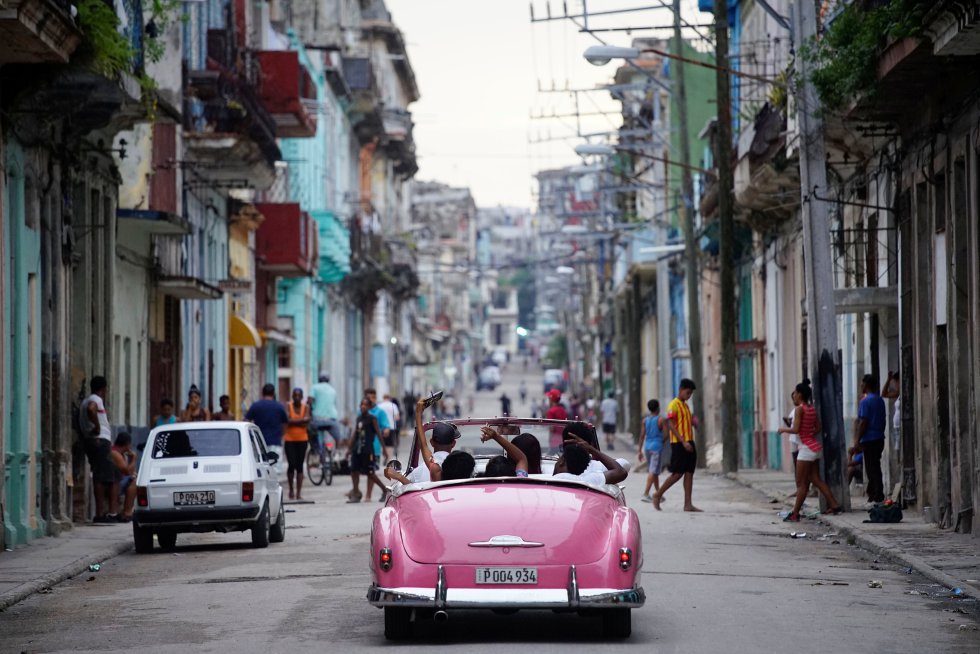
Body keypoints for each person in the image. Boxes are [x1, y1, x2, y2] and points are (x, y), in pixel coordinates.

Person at [779, 380, 842, 521]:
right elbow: (818, 427)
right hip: (815, 447)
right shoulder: (811, 408)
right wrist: (808, 433)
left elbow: (795, 429)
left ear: (800, 394)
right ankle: (834, 504)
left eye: (795, 393)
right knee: (816, 479)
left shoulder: (799, 409)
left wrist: (783, 429)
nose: (794, 395)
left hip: (806, 450)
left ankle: (795, 514)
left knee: (802, 484)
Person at [653, 379, 701, 512]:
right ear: (681, 389)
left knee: (689, 472)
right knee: (677, 473)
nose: (689, 395)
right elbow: (671, 425)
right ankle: (657, 494)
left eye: (691, 394)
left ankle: (688, 504)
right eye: (688, 392)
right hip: (679, 443)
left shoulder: (685, 406)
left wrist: (694, 422)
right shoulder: (673, 405)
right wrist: (683, 441)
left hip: (689, 441)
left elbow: (685, 423)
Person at [79, 376, 118, 522]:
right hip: (99, 440)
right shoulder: (95, 399)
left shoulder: (85, 400)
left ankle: (105, 512)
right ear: (104, 389)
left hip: (92, 440)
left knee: (103, 475)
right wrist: (97, 426)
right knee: (102, 477)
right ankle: (101, 514)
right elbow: (92, 409)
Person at [850, 373, 887, 503]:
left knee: (871, 468)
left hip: (870, 438)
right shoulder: (879, 400)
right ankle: (875, 494)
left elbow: (863, 422)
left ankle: (876, 495)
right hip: (879, 437)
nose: (860, 385)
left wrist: (857, 440)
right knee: (875, 466)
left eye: (862, 383)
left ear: (866, 385)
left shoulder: (865, 401)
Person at [554, 432, 627, 485]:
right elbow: (622, 471)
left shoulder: (544, 479)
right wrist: (592, 450)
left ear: (562, 461)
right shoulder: (587, 481)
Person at [348, 398, 383, 503]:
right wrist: (349, 448)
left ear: (369, 407)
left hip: (368, 450)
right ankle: (355, 492)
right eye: (361, 404)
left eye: (365, 405)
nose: (363, 406)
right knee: (354, 471)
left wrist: (384, 449)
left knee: (370, 473)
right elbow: (355, 434)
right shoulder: (359, 418)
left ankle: (384, 490)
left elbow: (378, 434)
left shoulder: (372, 418)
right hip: (357, 449)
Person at [246, 384, 288, 468]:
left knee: (260, 468)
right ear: (273, 393)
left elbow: (247, 421)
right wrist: (281, 435)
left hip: (258, 443)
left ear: (262, 393)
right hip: (275, 442)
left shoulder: (256, 406)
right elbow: (285, 423)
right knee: (275, 470)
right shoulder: (280, 407)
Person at [363, 389, 392, 501]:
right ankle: (357, 491)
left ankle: (369, 495)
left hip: (374, 446)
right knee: (357, 469)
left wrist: (386, 430)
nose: (370, 400)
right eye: (368, 397)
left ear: (375, 398)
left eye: (372, 397)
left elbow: (386, 425)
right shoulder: (361, 411)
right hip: (361, 445)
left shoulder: (379, 412)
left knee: (370, 470)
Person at [283, 388, 311, 500]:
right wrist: (301, 421)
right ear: (292, 396)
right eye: (295, 395)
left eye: (299, 395)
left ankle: (299, 493)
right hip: (289, 439)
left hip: (302, 439)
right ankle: (291, 490)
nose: (297, 397)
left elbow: (307, 420)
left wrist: (293, 421)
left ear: (302, 396)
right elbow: (287, 420)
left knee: (299, 466)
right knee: (291, 464)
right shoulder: (288, 406)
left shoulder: (306, 407)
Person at [639, 399, 667, 503]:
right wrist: (661, 442)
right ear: (658, 408)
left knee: (654, 471)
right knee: (653, 471)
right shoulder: (661, 420)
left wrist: (639, 451)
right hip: (657, 447)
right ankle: (646, 494)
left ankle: (658, 493)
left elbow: (642, 436)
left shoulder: (645, 420)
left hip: (647, 447)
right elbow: (666, 435)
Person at [110, 432, 137, 522]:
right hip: (113, 484)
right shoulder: (115, 453)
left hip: (119, 481)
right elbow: (127, 471)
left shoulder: (123, 455)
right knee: (135, 482)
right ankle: (127, 512)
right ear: (127, 444)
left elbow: (130, 472)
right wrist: (133, 459)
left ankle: (127, 511)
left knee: (134, 478)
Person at [378, 393, 401, 457]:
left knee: (383, 443)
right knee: (390, 443)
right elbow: (397, 417)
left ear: (383, 398)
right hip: (391, 426)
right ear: (389, 398)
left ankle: (384, 455)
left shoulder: (379, 406)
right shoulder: (393, 405)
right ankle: (388, 457)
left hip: (381, 427)